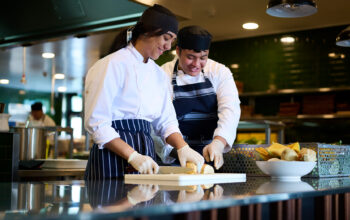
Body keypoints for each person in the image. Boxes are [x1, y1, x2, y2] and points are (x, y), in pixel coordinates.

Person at [84, 5, 204, 179]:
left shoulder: (158, 74)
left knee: (143, 204)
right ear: (149, 31)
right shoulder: (111, 65)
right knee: (112, 203)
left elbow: (166, 121)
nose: (169, 46)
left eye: (172, 41)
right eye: (166, 38)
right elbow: (98, 123)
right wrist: (132, 156)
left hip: (146, 153)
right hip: (112, 154)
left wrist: (182, 147)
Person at [158, 25, 241, 170]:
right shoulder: (161, 74)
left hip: (212, 155)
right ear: (178, 51)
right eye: (190, 57)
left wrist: (219, 144)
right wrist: (178, 151)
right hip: (175, 157)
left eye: (203, 58)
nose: (196, 64)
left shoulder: (219, 72)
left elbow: (230, 110)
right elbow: (158, 120)